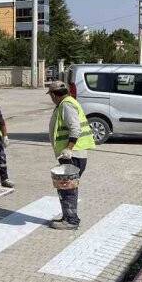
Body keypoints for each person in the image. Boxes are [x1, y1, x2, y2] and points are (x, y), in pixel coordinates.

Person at [46, 80, 95, 229]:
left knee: (68, 187)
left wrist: (69, 148)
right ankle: (68, 217)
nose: (51, 98)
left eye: (51, 95)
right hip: (72, 154)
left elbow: (75, 129)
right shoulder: (66, 103)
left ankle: (71, 221)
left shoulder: (66, 105)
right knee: (66, 187)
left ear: (54, 95)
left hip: (72, 155)